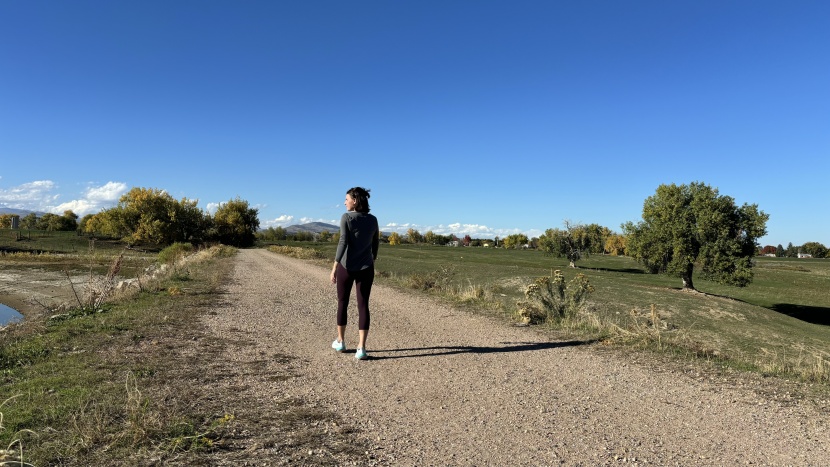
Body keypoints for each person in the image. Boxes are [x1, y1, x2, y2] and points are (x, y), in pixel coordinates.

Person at [330, 187, 379, 360]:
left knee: (342, 302)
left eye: (346, 199)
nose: (344, 202)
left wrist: (334, 266)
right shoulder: (373, 220)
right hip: (366, 268)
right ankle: (361, 348)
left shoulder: (346, 217)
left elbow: (343, 242)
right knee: (363, 305)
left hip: (346, 266)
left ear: (355, 201)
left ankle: (341, 341)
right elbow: (375, 243)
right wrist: (372, 259)